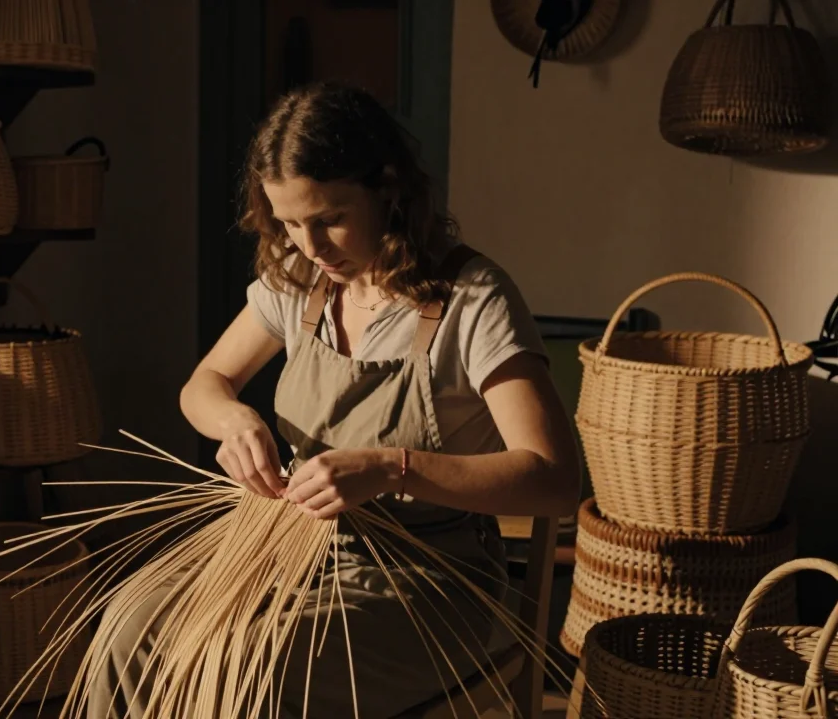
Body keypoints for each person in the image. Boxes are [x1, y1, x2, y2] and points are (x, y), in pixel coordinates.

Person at [88, 81, 581, 718]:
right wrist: (233, 421)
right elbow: (204, 385)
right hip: (292, 544)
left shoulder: (473, 299)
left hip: (427, 577)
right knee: (128, 629)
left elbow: (554, 480)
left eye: (329, 219)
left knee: (247, 668)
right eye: (289, 223)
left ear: (389, 189)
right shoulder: (299, 279)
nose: (310, 246)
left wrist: (391, 467)